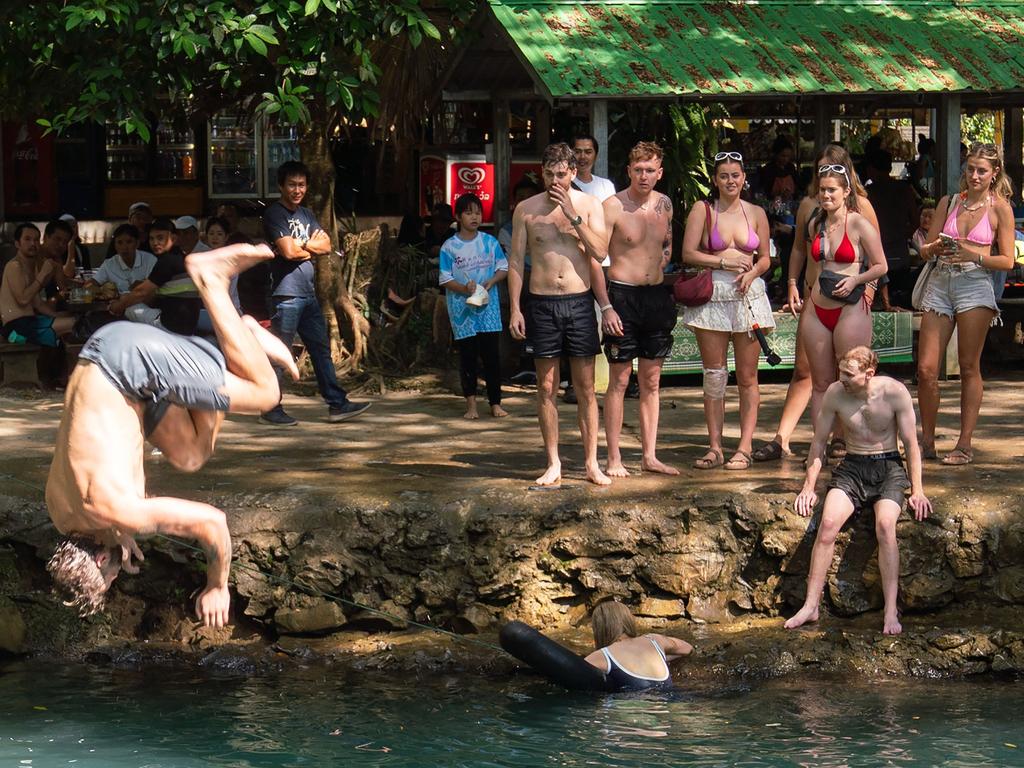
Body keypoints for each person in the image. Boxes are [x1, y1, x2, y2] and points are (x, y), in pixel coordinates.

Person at [44, 243, 299, 627]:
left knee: (266, 393)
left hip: (128, 363)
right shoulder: (62, 514)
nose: (117, 577)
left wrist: (218, 585)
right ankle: (231, 348)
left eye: (111, 578)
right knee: (190, 456)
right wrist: (119, 530)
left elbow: (212, 523)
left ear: (99, 558)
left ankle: (211, 280)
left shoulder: (119, 511)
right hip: (106, 368)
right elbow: (95, 484)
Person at [785, 347, 932, 635]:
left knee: (886, 525)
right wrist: (808, 487)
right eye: (841, 372)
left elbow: (912, 444)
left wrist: (918, 490)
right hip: (852, 466)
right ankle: (810, 605)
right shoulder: (835, 393)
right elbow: (818, 443)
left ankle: (891, 610)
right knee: (827, 525)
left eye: (849, 374)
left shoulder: (894, 392)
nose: (843, 379)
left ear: (869, 374)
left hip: (888, 465)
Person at [753, 145, 881, 463]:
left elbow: (875, 258)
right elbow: (797, 249)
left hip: (851, 298)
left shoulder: (861, 208)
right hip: (814, 295)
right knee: (805, 371)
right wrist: (793, 283)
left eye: (832, 173)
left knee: (848, 372)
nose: (824, 184)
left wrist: (867, 290)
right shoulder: (810, 208)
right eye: (820, 173)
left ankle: (847, 439)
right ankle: (788, 438)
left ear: (845, 178)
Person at [508, 142, 613, 487]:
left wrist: (573, 216)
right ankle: (552, 461)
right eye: (550, 174)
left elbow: (599, 251)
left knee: (585, 387)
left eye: (562, 174)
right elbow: (515, 263)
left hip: (579, 301)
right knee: (546, 385)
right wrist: (515, 308)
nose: (556, 181)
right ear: (543, 172)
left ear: (572, 172)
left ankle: (591, 463)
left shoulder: (589, 204)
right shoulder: (526, 209)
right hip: (541, 303)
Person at [916, 142, 1016, 465]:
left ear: (994, 173)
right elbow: (924, 248)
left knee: (968, 366)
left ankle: (964, 443)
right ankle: (926, 441)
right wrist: (935, 249)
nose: (974, 175)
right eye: (970, 169)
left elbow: (1007, 260)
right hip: (941, 281)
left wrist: (973, 254)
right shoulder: (949, 202)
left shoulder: (999, 207)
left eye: (981, 170)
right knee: (927, 368)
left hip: (975, 282)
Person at [259, 160, 370, 426]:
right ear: (281, 186)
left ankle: (337, 404)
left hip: (308, 295)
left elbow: (327, 245)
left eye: (302, 184)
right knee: (280, 352)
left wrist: (301, 245)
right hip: (285, 295)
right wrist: (307, 246)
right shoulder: (275, 214)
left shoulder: (307, 214)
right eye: (292, 185)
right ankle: (270, 408)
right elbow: (288, 252)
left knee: (320, 350)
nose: (297, 190)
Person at [681, 151, 774, 471]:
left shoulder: (757, 212)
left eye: (736, 175)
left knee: (748, 376)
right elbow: (689, 253)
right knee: (715, 374)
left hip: (748, 297)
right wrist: (723, 261)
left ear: (744, 178)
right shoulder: (702, 210)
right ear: (715, 180)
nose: (731, 181)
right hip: (714, 296)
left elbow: (765, 257)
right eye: (724, 176)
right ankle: (715, 446)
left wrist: (752, 273)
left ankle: (745, 446)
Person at [788, 164, 887, 451]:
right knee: (821, 382)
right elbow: (807, 258)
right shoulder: (815, 222)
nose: (826, 195)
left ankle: (855, 442)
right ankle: (819, 445)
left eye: (832, 190)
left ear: (846, 192)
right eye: (822, 190)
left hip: (850, 305)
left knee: (854, 378)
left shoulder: (858, 223)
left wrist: (857, 279)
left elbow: (881, 265)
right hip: (818, 305)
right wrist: (795, 285)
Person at [601, 141, 678, 477]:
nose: (644, 175)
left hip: (656, 297)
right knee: (619, 379)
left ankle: (650, 455)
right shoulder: (613, 206)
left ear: (659, 173)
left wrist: (662, 262)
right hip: (622, 296)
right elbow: (595, 258)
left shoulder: (665, 204)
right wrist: (605, 306)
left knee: (652, 380)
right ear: (628, 171)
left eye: (651, 170)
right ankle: (614, 457)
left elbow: (666, 243)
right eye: (638, 169)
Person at [440, 193, 509, 419]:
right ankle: (471, 405)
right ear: (458, 217)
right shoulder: (449, 247)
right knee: (468, 356)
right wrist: (463, 288)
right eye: (468, 212)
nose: (474, 217)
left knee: (491, 356)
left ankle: (495, 403)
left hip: (488, 307)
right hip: (462, 310)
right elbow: (445, 278)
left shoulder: (489, 242)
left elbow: (503, 267)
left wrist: (492, 281)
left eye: (477, 212)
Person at [115, 218, 202, 336]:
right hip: (188, 324)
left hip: (171, 325)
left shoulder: (167, 261)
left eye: (160, 238)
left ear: (174, 238)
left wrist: (117, 306)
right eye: (152, 239)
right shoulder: (181, 257)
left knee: (130, 308)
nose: (155, 243)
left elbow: (140, 293)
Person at [582, 601, 693, 691]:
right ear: (628, 621)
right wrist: (662, 656)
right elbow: (688, 648)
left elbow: (573, 670)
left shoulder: (603, 655)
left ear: (600, 630)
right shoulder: (655, 640)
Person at [0, 223, 76, 346]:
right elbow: (23, 299)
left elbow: (38, 303)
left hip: (30, 323)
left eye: (36, 239)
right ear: (17, 244)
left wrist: (57, 315)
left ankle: (57, 364)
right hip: (15, 328)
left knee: (72, 322)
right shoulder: (14, 266)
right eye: (27, 239)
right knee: (74, 324)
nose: (33, 244)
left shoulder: (31, 267)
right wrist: (43, 274)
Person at [865, 150, 918, 310]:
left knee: (877, 305)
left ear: (872, 169)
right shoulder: (904, 189)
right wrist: (902, 235)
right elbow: (915, 221)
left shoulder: (869, 194)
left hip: (879, 256)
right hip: (898, 253)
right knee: (899, 301)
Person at [86, 224, 157, 298]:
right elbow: (89, 285)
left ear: (137, 243)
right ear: (115, 245)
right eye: (119, 242)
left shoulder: (150, 260)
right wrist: (101, 290)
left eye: (129, 242)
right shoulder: (109, 264)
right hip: (118, 307)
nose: (124, 247)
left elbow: (159, 287)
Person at [38, 219, 78, 299]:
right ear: (45, 237)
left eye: (65, 242)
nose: (61, 245)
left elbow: (61, 284)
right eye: (57, 239)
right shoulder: (33, 256)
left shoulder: (56, 257)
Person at [572, 135, 616, 202]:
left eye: (588, 152)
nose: (582, 157)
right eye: (577, 152)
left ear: (596, 156)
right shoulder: (565, 184)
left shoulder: (607, 186)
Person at [758, 137, 800, 202]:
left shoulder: (791, 168)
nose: (786, 159)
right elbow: (765, 192)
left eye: (788, 156)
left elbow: (797, 186)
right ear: (776, 154)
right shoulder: (768, 170)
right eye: (783, 156)